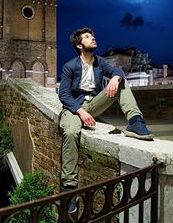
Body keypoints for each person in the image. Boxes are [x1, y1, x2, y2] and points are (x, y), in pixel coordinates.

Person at [58, 27, 153, 212]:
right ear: (79, 45)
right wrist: (80, 112)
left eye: (92, 35)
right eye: (87, 37)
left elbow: (118, 70)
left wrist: (115, 78)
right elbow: (63, 94)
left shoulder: (100, 62)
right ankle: (69, 188)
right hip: (74, 108)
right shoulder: (70, 66)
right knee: (70, 132)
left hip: (93, 105)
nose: (92, 38)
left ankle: (135, 121)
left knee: (120, 81)